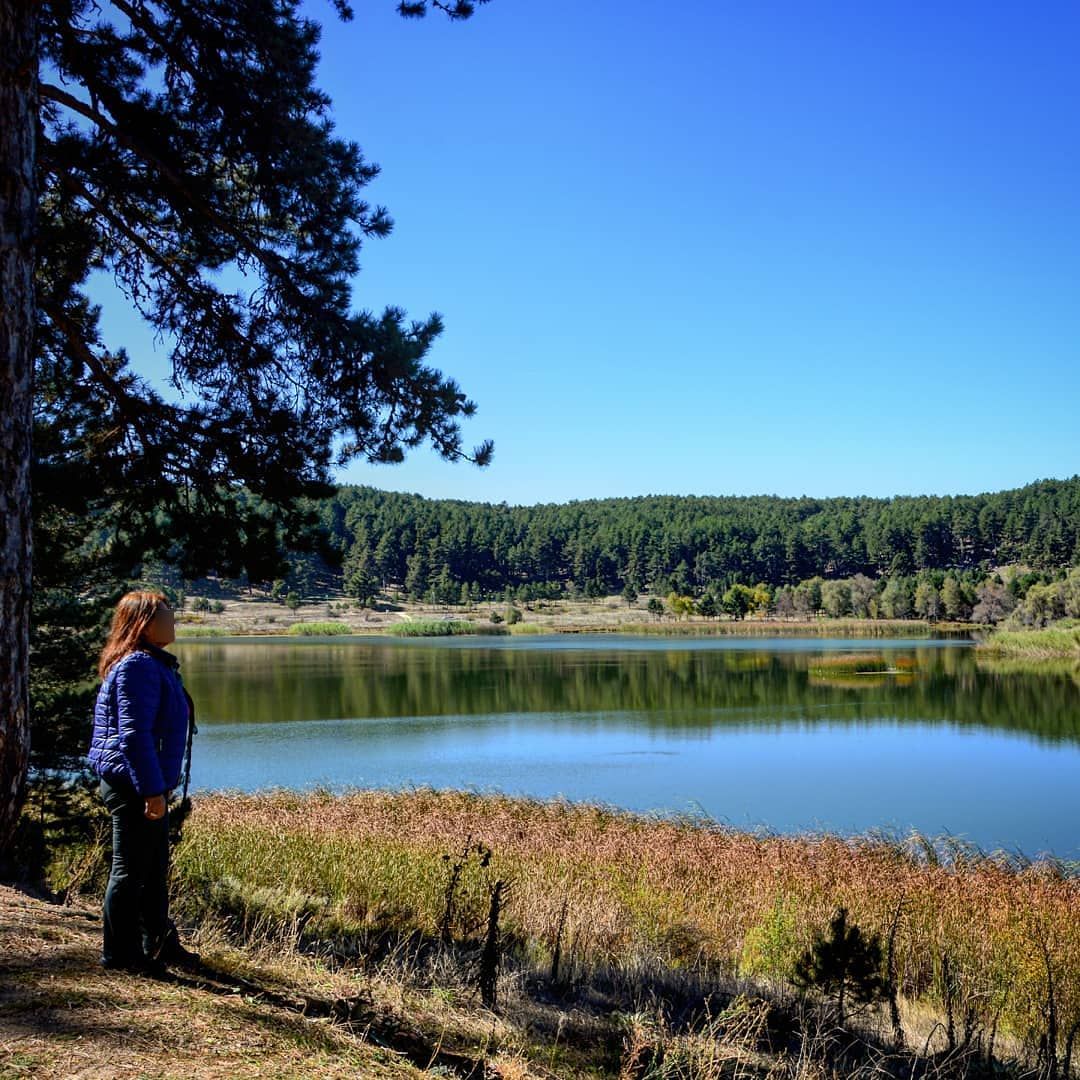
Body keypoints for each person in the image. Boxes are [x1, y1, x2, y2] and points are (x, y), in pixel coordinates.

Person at [86, 590, 199, 975]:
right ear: (142, 624)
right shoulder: (139, 666)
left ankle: (159, 943)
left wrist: (159, 787)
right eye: (164, 616)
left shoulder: (153, 663)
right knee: (130, 870)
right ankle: (120, 955)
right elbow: (133, 737)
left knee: (152, 869)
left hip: (147, 782)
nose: (172, 622)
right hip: (133, 784)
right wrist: (151, 791)